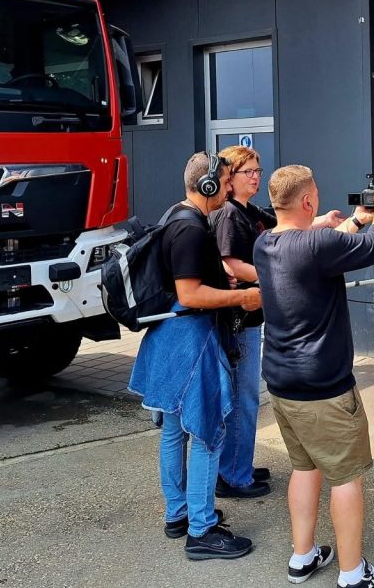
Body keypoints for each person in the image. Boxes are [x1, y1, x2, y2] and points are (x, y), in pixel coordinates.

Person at [254, 165, 374, 588]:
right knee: (346, 478)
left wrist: (352, 220)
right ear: (307, 201)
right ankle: (353, 575)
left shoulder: (265, 243)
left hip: (283, 384)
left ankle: (302, 557)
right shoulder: (317, 244)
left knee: (304, 469)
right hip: (325, 390)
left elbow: (314, 245)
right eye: (315, 193)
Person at [128, 152, 262, 560]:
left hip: (169, 337)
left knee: (173, 430)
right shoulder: (191, 230)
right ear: (208, 184)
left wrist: (222, 282)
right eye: (226, 181)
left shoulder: (176, 215)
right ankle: (202, 531)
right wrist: (240, 297)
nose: (229, 187)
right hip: (191, 340)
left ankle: (179, 514)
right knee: (207, 432)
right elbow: (190, 294)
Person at [209, 145, 350, 499]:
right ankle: (234, 475)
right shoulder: (230, 215)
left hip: (254, 316)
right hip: (240, 319)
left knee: (247, 397)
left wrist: (324, 221)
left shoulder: (250, 210)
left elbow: (284, 226)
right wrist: (274, 276)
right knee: (243, 398)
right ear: (230, 178)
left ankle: (239, 464)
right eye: (248, 172)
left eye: (258, 170)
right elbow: (231, 263)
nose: (255, 177)